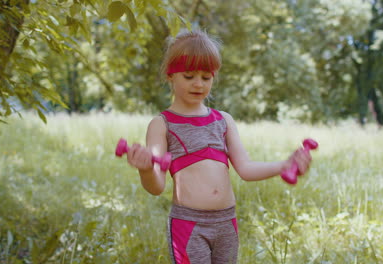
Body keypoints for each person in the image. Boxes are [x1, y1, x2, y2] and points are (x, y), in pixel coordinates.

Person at [126, 28, 312, 264]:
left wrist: (285, 164)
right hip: (189, 224)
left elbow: (245, 168)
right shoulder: (162, 124)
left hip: (227, 223)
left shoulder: (223, 120)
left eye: (206, 77)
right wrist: (145, 169)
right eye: (189, 75)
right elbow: (156, 186)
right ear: (170, 75)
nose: (198, 84)